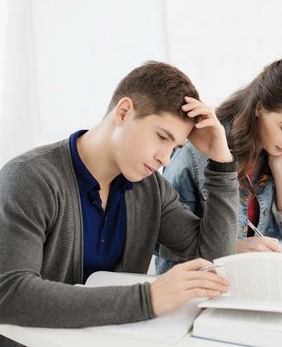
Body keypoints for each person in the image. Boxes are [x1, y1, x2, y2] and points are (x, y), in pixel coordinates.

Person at [0, 61, 239, 331]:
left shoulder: (151, 188)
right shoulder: (29, 178)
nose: (165, 158)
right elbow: (10, 295)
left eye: (175, 147)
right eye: (162, 136)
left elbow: (214, 259)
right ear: (124, 112)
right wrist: (148, 299)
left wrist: (221, 163)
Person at [155, 54, 282, 273]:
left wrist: (280, 167)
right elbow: (164, 245)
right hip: (195, 279)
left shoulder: (280, 150)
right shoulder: (197, 153)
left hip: (249, 275)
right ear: (259, 108)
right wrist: (230, 249)